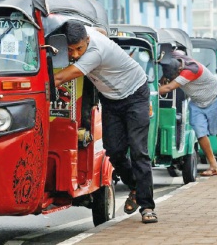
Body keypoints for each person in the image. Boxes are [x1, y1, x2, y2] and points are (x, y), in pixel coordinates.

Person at [53, 20, 157, 224]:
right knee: (114, 151)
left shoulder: (95, 52)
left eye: (79, 49)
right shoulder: (87, 32)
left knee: (138, 151)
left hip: (135, 93)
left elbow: (62, 77)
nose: (74, 54)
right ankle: (135, 187)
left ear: (88, 41)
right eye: (70, 50)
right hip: (111, 99)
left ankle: (147, 207)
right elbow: (100, 30)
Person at [159, 51, 217, 176]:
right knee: (200, 133)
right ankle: (214, 166)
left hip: (215, 99)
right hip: (197, 102)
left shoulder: (191, 70)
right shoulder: (177, 58)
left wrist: (147, 91)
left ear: (178, 72)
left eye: (171, 78)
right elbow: (167, 53)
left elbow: (168, 88)